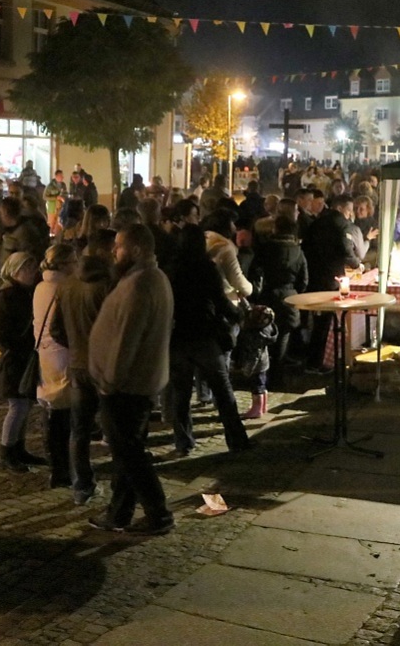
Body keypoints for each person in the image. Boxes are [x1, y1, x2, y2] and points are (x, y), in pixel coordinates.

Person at [86, 225, 176, 535]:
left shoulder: (140, 285)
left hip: (125, 387)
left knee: (130, 454)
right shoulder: (150, 279)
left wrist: (109, 382)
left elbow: (126, 342)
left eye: (120, 246)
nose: (114, 251)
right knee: (127, 452)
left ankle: (158, 514)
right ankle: (119, 512)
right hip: (134, 383)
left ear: (136, 250)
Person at [167, 224, 251, 458]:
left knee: (181, 393)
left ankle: (183, 441)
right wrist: (238, 316)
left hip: (179, 335)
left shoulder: (171, 269)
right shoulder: (206, 268)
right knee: (222, 389)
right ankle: (236, 439)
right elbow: (220, 300)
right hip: (204, 333)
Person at [52, 250, 114, 505]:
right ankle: (122, 482)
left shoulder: (66, 286)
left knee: (79, 429)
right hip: (103, 366)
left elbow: (56, 329)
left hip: (78, 365)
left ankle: (82, 485)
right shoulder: (106, 288)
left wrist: (75, 346)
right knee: (113, 426)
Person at [247, 214, 307, 417]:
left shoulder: (266, 248)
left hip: (269, 296)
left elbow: (254, 271)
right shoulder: (298, 251)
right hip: (289, 297)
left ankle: (262, 379)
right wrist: (294, 292)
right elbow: (303, 279)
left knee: (264, 340)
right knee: (283, 339)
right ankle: (277, 377)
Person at [0, 251, 48, 473]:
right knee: (17, 406)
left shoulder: (25, 292)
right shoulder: (7, 296)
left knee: (24, 405)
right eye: (27, 269)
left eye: (33, 269)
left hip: (25, 357)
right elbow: (5, 334)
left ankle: (19, 448)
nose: (32, 273)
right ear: (14, 271)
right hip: (16, 360)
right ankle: (6, 452)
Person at [33, 244, 78, 489]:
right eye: (73, 261)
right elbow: (64, 329)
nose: (76, 265)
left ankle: (57, 467)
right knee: (64, 416)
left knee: (51, 411)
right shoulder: (65, 289)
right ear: (61, 265)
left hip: (45, 357)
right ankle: (64, 470)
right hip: (63, 356)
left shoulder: (41, 287)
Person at [301, 194, 361, 372]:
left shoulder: (317, 222)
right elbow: (346, 250)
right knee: (325, 323)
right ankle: (316, 362)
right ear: (341, 208)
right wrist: (357, 264)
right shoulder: (342, 224)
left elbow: (306, 247)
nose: (350, 215)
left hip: (313, 275)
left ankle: (313, 359)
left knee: (317, 321)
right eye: (349, 211)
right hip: (330, 279)